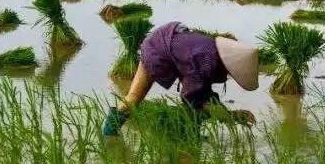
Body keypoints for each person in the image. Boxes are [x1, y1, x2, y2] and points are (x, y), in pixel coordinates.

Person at [103, 21, 259, 136]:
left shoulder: (211, 52)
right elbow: (192, 98)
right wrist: (232, 116)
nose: (228, 76)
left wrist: (227, 114)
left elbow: (203, 93)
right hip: (156, 50)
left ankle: (190, 135)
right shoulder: (206, 60)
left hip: (161, 39)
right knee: (134, 98)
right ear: (229, 64)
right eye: (231, 72)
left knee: (199, 104)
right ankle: (109, 133)